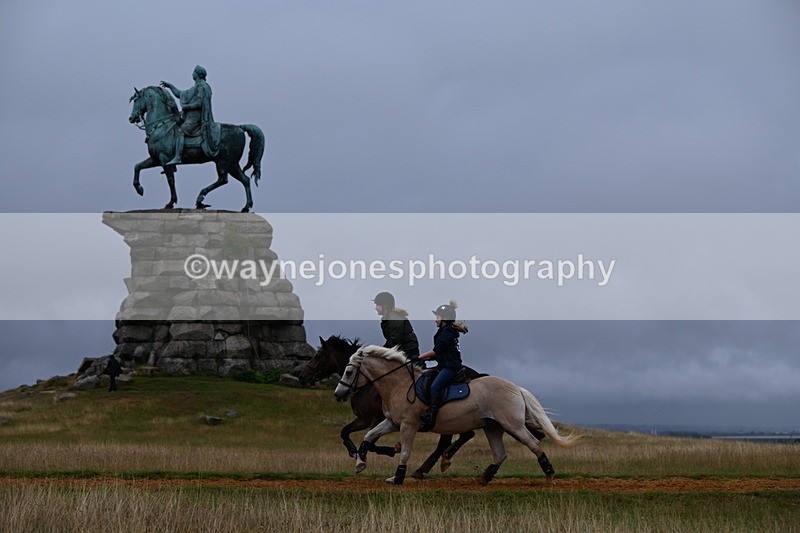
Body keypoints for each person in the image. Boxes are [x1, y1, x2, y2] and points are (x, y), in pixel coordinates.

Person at [417, 300, 468, 431]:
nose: (435, 320)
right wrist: (425, 359)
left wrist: (419, 357)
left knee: (434, 387)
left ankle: (431, 417)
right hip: (444, 365)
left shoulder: (447, 333)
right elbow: (438, 354)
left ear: (444, 319)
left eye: (437, 317)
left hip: (450, 367)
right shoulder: (445, 331)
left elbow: (436, 351)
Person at [160, 65, 219, 165]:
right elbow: (180, 94)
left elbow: (200, 103)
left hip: (196, 118)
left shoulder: (202, 87)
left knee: (180, 131)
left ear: (198, 74)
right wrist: (171, 86)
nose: (192, 74)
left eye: (194, 72)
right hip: (190, 117)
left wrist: (187, 107)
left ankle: (178, 157)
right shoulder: (195, 88)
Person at [372, 292, 420, 362]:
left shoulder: (394, 318)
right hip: (401, 351)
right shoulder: (387, 319)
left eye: (377, 305)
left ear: (385, 305)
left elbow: (394, 341)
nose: (375, 308)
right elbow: (390, 341)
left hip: (407, 353)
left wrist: (380, 353)